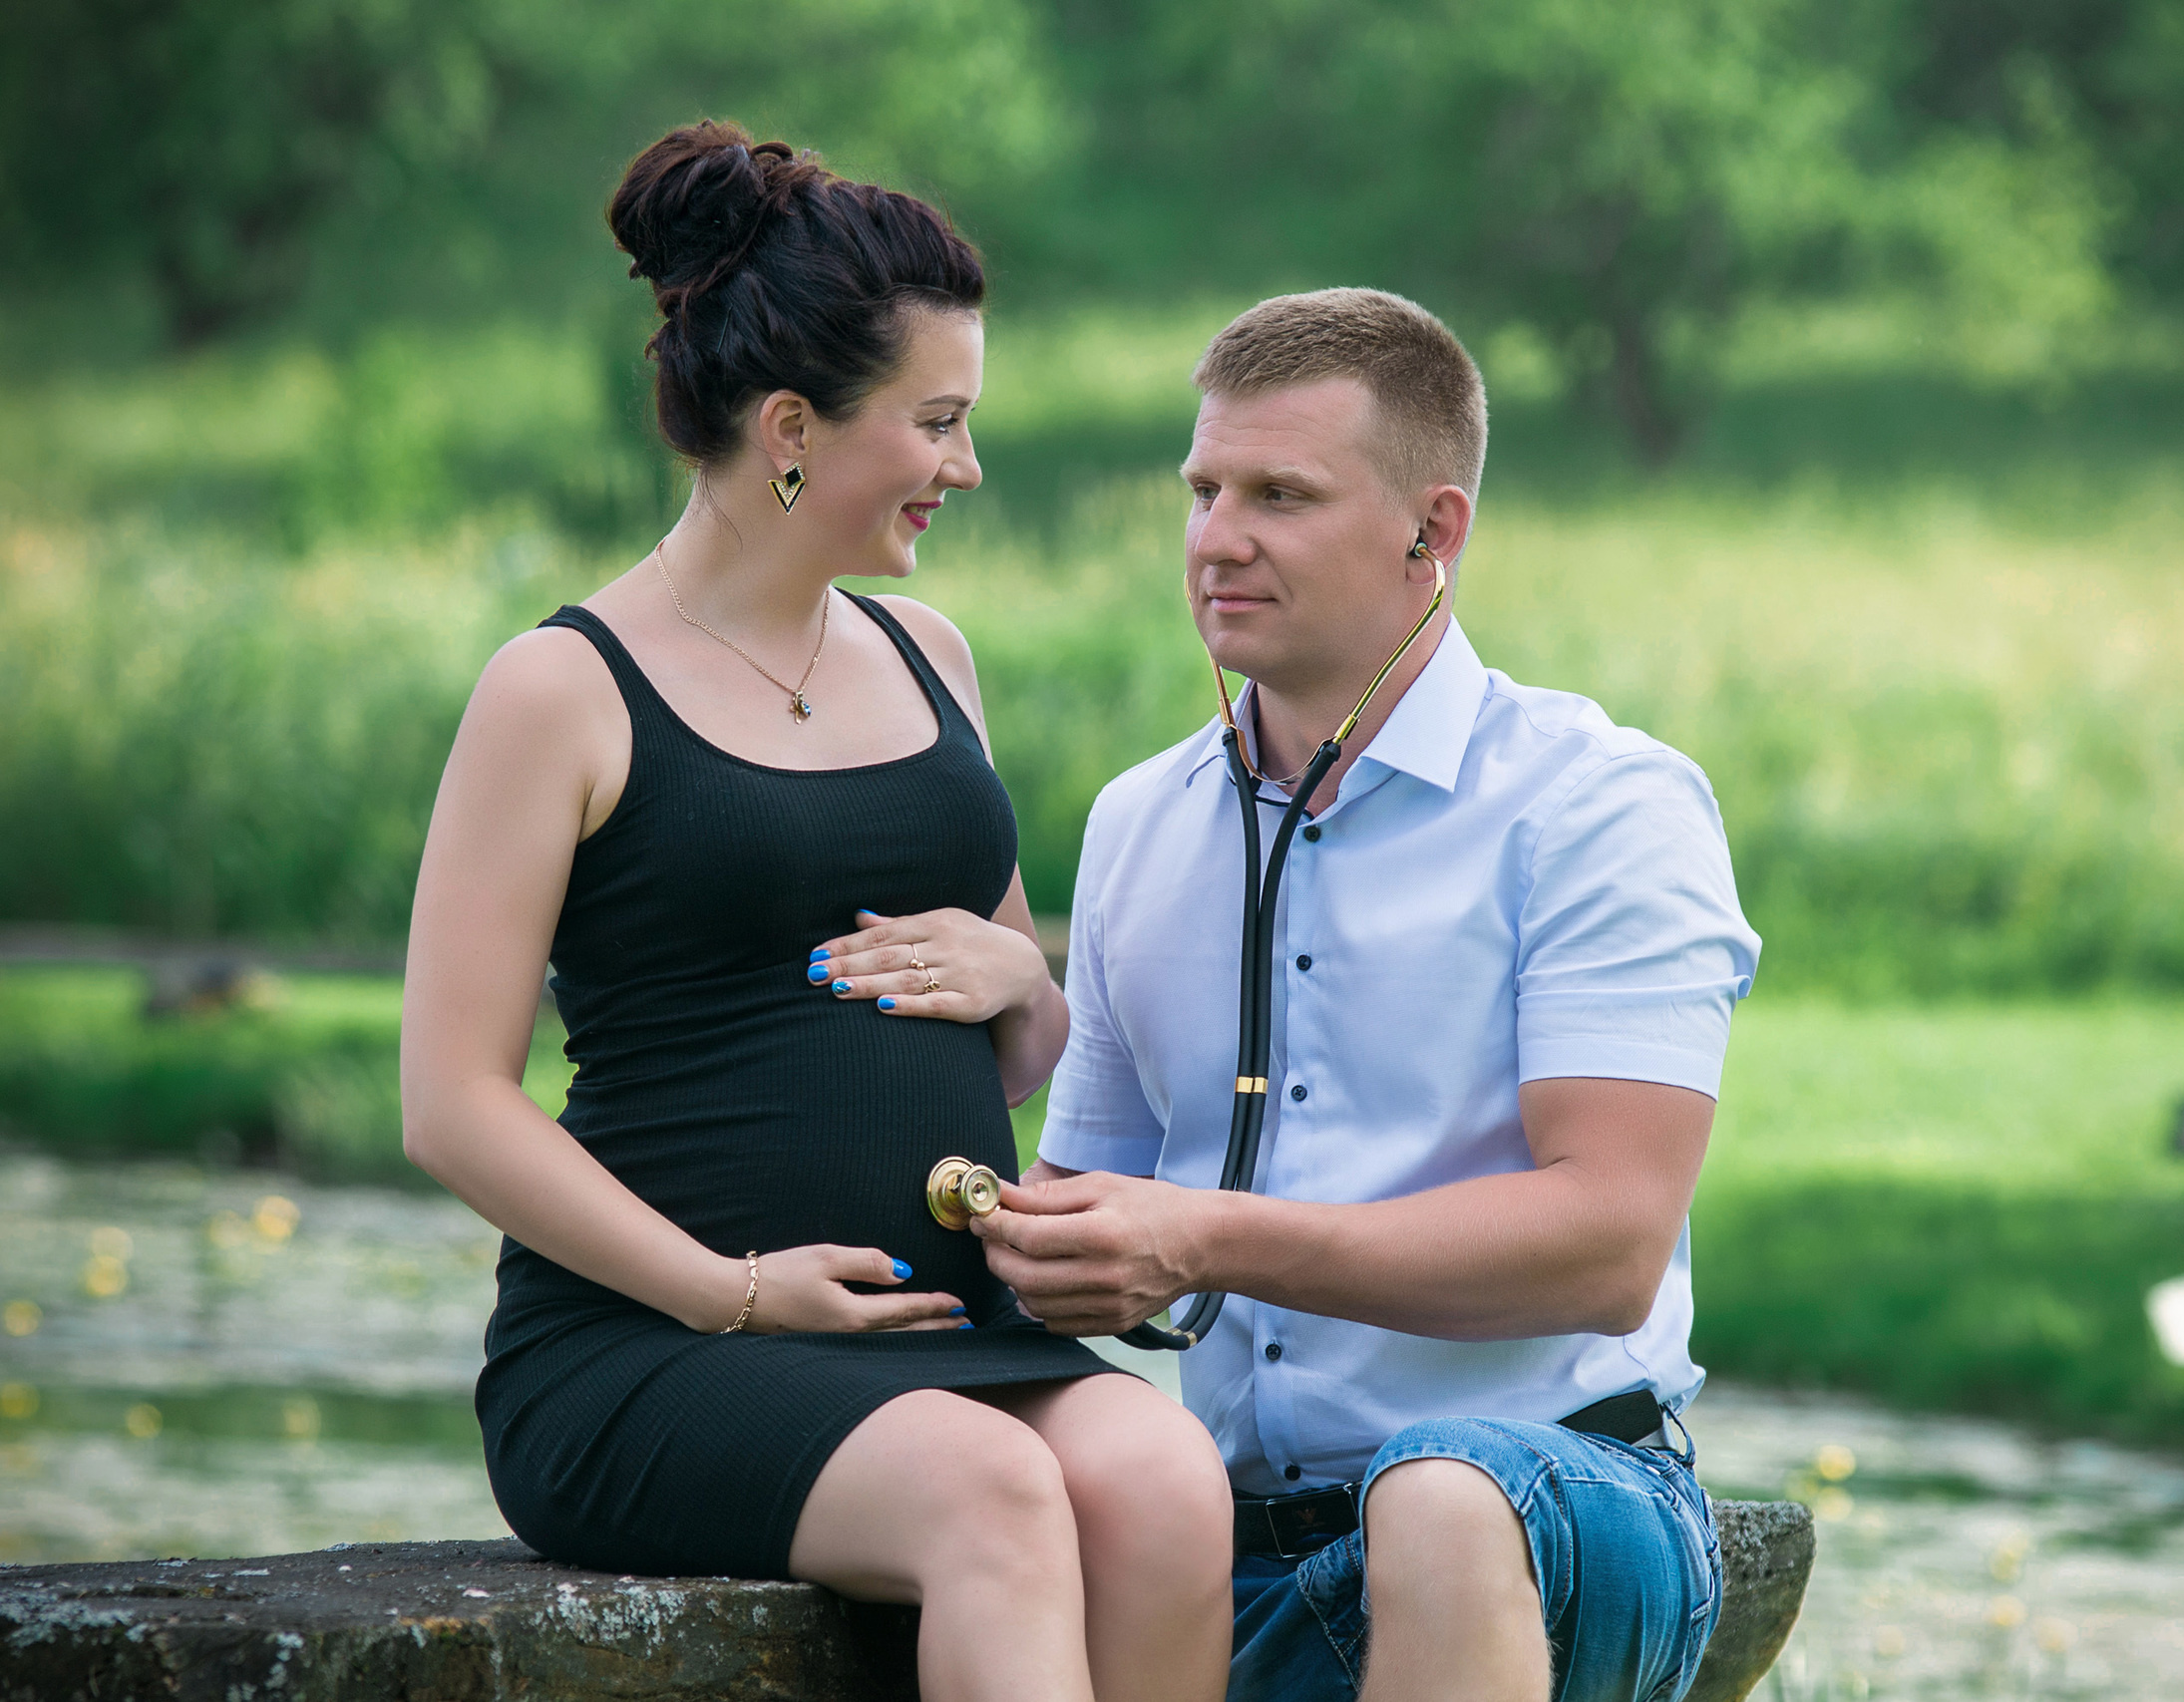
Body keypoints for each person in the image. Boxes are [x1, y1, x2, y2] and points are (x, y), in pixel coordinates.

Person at [398, 122, 1231, 1702]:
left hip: (938, 1324)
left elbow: (1016, 1047)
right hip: (660, 1346)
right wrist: (734, 1291)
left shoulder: (933, 659)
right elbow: (448, 1105)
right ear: (791, 426)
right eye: (937, 421)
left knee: (1167, 1480)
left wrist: (1018, 975)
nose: (966, 467)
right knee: (992, 1499)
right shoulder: (562, 690)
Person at [972, 288, 1760, 1702]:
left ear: (1432, 530)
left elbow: (1608, 1242)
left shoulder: (1600, 805)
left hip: (1564, 1499)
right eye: (1204, 489)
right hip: (1234, 1543)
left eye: (1281, 493)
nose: (1219, 536)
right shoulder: (1138, 821)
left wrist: (1209, 1238)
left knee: (1439, 1493)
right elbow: (1087, 1216)